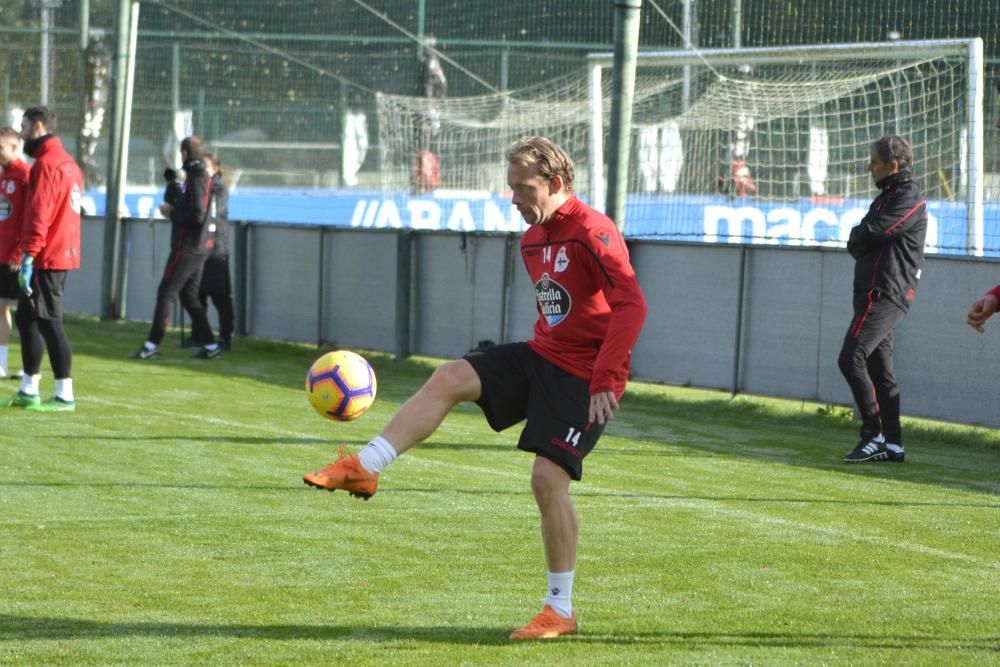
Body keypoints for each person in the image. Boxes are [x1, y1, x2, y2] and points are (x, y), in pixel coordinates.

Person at [303, 136, 648, 640]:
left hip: (587, 376)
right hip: (544, 356)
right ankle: (364, 468)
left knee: (547, 482)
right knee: (451, 375)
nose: (513, 199)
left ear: (555, 184)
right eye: (509, 188)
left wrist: (605, 377)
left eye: (523, 188)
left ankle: (560, 611)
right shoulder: (532, 239)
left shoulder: (593, 230)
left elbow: (631, 304)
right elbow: (559, 311)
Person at [839, 135, 926, 463]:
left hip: (885, 294)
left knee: (851, 358)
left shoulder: (908, 196)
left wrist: (861, 235)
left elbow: (873, 232)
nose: (868, 167)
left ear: (892, 165)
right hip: (874, 293)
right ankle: (893, 445)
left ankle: (872, 434)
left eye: (874, 162)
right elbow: (862, 237)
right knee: (880, 370)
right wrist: (861, 236)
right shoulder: (887, 197)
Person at [4, 106, 84, 412]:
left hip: (48, 256)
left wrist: (29, 253)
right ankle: (29, 388)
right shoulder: (68, 163)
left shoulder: (47, 165)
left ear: (37, 126)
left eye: (23, 127)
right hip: (58, 252)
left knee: (49, 320)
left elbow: (40, 214)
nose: (21, 133)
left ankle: (65, 394)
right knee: (26, 317)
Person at [130, 135, 221, 361]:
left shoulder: (196, 176)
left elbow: (197, 214)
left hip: (188, 246)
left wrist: (172, 212)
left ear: (184, 153)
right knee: (189, 296)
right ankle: (210, 346)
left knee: (166, 293)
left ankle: (152, 344)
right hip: (199, 246)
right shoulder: (197, 175)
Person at [0, 126, 30, 381]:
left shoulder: (25, 175)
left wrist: (19, 252)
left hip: (17, 258)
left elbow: (31, 218)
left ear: (15, 147)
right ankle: (2, 363)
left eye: (0, 148)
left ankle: (31, 367)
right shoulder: (3, 176)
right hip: (1, 255)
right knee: (1, 308)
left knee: (28, 313)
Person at [197, 152, 233, 350]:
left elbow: (213, 210)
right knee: (196, 293)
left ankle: (225, 337)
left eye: (207, 166)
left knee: (220, 295)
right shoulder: (198, 187)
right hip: (200, 247)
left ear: (216, 168)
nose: (203, 171)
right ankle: (200, 335)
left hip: (216, 248)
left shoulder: (219, 188)